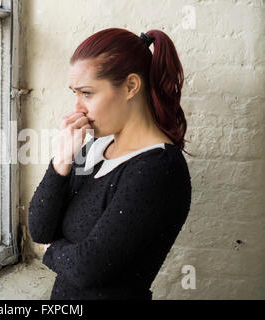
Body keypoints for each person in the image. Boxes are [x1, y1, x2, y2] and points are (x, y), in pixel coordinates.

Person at [28, 28, 192, 300]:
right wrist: (62, 160)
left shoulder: (157, 169)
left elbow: (87, 269)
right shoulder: (94, 147)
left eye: (87, 93)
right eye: (75, 93)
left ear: (131, 86)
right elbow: (41, 228)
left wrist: (51, 249)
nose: (77, 108)